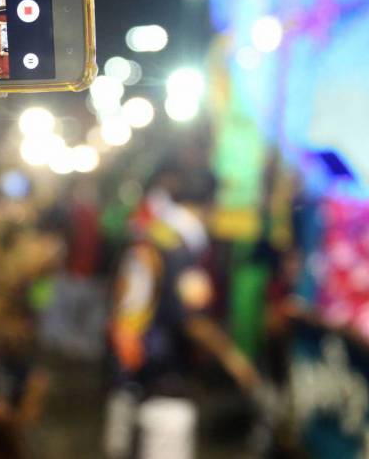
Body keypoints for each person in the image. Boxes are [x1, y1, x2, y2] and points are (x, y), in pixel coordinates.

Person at [105, 160, 259, 459]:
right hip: (164, 386)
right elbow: (193, 321)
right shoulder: (180, 249)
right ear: (209, 205)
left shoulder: (149, 235)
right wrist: (236, 361)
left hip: (127, 376)